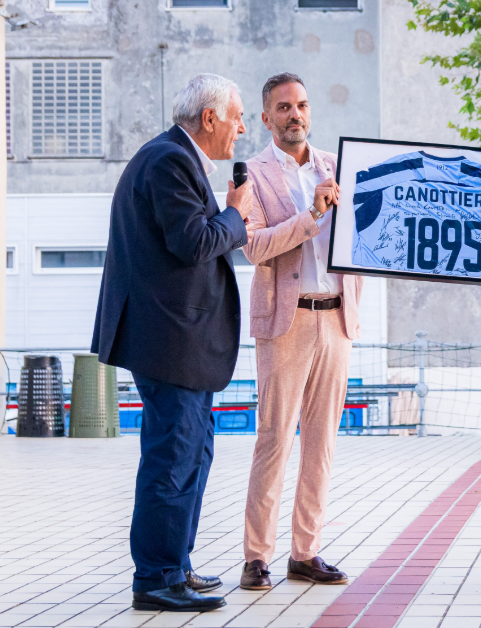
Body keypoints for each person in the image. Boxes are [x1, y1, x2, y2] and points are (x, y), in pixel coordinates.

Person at [91, 74, 253, 612]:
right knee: (173, 457)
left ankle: (175, 565)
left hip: (181, 342)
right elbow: (194, 242)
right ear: (210, 118)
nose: (241, 128)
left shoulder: (173, 158)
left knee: (193, 453)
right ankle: (157, 578)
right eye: (237, 117)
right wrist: (236, 214)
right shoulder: (168, 161)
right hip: (169, 342)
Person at [238, 73, 363, 590]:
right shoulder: (252, 174)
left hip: (336, 317)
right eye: (285, 107)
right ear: (266, 117)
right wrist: (311, 214)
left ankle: (305, 553)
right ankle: (256, 557)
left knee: (321, 442)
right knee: (273, 438)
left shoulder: (342, 167)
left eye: (303, 105)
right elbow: (253, 246)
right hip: (284, 323)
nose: (296, 114)